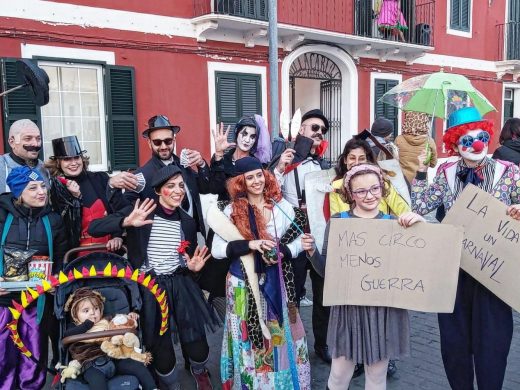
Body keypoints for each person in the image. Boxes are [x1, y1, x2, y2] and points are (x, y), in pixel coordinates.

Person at [412, 107, 520, 390]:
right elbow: (420, 206)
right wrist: (422, 170)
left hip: (494, 274)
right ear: (454, 143)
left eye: (482, 136)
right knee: (455, 344)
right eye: (467, 140)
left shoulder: (508, 171)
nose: (477, 145)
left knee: (493, 345)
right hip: (454, 270)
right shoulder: (446, 172)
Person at [88, 164, 220, 390]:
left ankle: (199, 371)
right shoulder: (141, 211)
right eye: (171, 186)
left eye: (181, 185)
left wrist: (193, 269)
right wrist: (125, 222)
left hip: (180, 284)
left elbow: (185, 257)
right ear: (158, 191)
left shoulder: (187, 221)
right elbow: (94, 227)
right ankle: (170, 383)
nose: (178, 190)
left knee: (196, 340)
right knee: (160, 344)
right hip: (149, 286)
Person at [303, 163, 424, 390]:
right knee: (339, 376)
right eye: (361, 191)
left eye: (375, 189)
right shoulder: (338, 222)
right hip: (349, 310)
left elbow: (414, 266)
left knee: (376, 377)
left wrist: (420, 225)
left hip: (383, 310)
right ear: (350, 194)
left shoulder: (395, 224)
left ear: (382, 188)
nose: (369, 196)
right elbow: (327, 272)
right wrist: (311, 253)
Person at [210, 157, 311, 389]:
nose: (256, 181)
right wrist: (249, 245)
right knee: (247, 337)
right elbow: (217, 250)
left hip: (276, 281)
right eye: (249, 177)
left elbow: (298, 244)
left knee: (280, 334)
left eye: (259, 175)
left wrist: (283, 250)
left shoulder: (282, 207)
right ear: (240, 182)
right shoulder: (230, 211)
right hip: (241, 284)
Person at [273, 108, 332, 363]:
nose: (319, 133)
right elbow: (270, 191)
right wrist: (279, 165)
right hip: (292, 230)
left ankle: (322, 345)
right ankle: (291, 344)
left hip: (319, 232)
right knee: (291, 294)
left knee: (322, 296)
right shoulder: (283, 160)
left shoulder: (326, 166)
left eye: (322, 130)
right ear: (301, 130)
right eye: (314, 128)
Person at [0, 166, 67, 390]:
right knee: (2, 355)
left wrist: (56, 279)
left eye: (43, 186)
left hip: (35, 302)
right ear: (19, 192)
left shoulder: (54, 220)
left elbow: (60, 257)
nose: (41, 192)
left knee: (34, 355)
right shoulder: (1, 215)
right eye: (33, 187)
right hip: (4, 301)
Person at [123, 114, 211, 236]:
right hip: (163, 242)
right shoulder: (141, 176)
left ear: (174, 140)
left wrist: (201, 164)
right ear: (149, 143)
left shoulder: (184, 166)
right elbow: (124, 208)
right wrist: (117, 236)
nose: (164, 146)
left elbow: (206, 188)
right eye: (157, 142)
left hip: (191, 236)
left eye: (168, 141)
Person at [63, 287, 157, 390]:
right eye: (86, 311)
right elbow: (67, 336)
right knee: (98, 382)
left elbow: (121, 321)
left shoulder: (106, 320)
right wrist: (86, 326)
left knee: (137, 366)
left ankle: (152, 387)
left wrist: (130, 316)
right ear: (75, 315)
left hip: (114, 357)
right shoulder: (74, 327)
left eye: (96, 308)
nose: (92, 313)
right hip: (90, 364)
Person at [45, 135, 128, 251]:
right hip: (75, 255)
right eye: (67, 159)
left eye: (76, 157)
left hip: (109, 251)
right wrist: (74, 199)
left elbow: (118, 210)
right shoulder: (55, 188)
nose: (73, 163)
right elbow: (63, 226)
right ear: (58, 163)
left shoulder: (100, 178)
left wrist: (117, 236)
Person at [330, 137, 410, 216]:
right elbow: (335, 221)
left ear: (368, 160)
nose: (357, 163)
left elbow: (404, 212)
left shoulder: (381, 183)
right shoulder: (336, 186)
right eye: (352, 158)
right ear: (345, 160)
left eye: (361, 158)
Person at [0, 119, 49, 192]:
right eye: (28, 139)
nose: (35, 144)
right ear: (12, 142)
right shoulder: (2, 166)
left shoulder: (45, 169)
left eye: (38, 139)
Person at [395, 111, 438, 183]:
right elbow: (433, 164)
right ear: (424, 122)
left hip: (402, 181)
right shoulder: (429, 141)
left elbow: (394, 160)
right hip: (421, 180)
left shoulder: (399, 139)